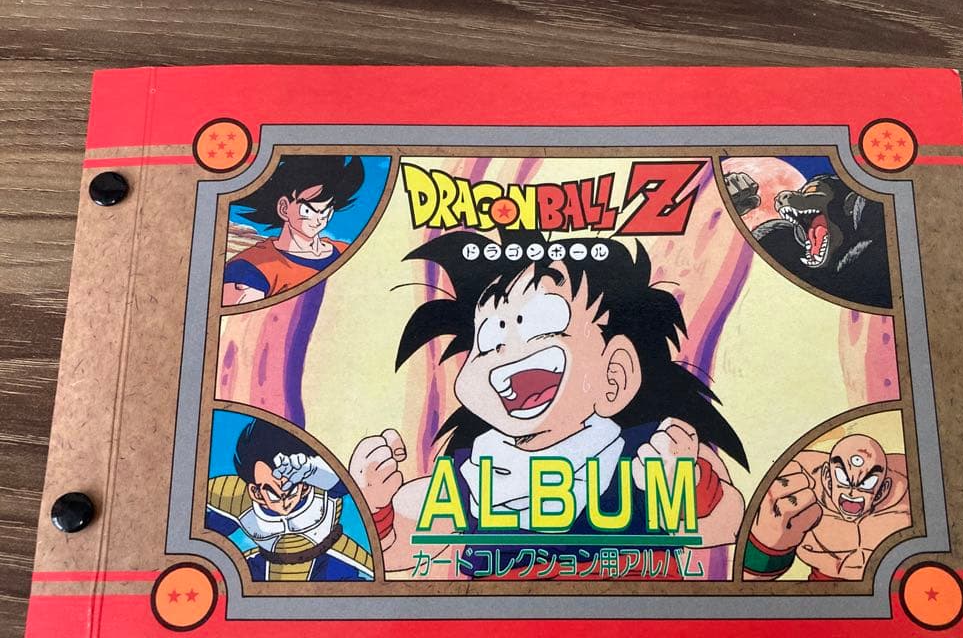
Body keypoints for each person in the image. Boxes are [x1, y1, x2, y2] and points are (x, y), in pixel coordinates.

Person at [349, 229, 748, 579]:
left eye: (541, 325)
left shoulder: (650, 452)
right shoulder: (470, 474)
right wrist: (375, 504)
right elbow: (397, 549)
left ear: (614, 374)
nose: (505, 349)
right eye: (488, 340)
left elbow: (728, 522)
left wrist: (685, 486)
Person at [206, 419, 376, 581]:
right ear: (256, 492)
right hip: (266, 566)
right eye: (273, 493)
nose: (284, 500)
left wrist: (317, 473)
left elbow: (346, 483)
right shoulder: (240, 503)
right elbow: (207, 528)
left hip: (327, 563)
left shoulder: (321, 485)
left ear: (305, 485)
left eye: (291, 489)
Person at [743, 433, 911, 581]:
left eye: (866, 483)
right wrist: (766, 544)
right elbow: (746, 584)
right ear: (827, 477)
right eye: (843, 478)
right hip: (820, 596)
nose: (852, 492)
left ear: (883, 488)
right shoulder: (793, 481)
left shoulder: (910, 482)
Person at [222, 155, 366, 304]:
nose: (318, 219)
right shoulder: (250, 267)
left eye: (325, 211)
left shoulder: (344, 251)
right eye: (307, 210)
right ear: (284, 208)